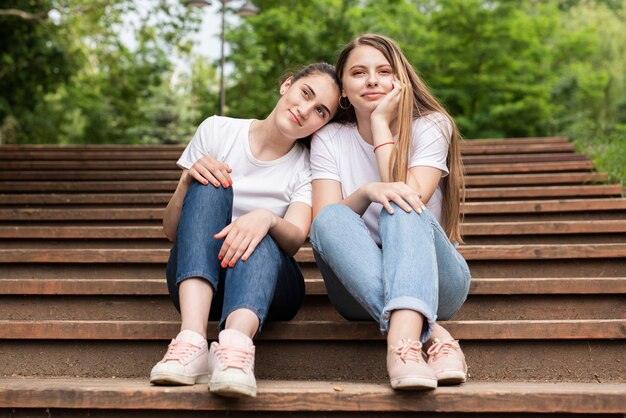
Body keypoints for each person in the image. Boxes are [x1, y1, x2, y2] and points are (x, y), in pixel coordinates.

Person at [149, 62, 340, 398]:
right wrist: (185, 181)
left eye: (320, 111)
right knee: (210, 185)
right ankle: (192, 341)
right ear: (287, 85)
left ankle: (235, 350)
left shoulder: (309, 164)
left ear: (323, 123)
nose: (305, 110)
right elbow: (171, 231)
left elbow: (295, 238)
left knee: (262, 231)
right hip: (200, 279)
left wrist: (265, 217)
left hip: (269, 283)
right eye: (305, 94)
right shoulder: (217, 130)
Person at [309, 34, 470, 391]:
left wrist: (381, 126)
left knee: (401, 201)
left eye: (384, 71)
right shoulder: (330, 138)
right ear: (343, 91)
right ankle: (431, 336)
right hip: (356, 288)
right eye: (358, 73)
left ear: (400, 80)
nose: (372, 80)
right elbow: (323, 225)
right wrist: (367, 192)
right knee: (332, 216)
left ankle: (401, 347)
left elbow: (406, 193)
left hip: (440, 282)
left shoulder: (432, 125)